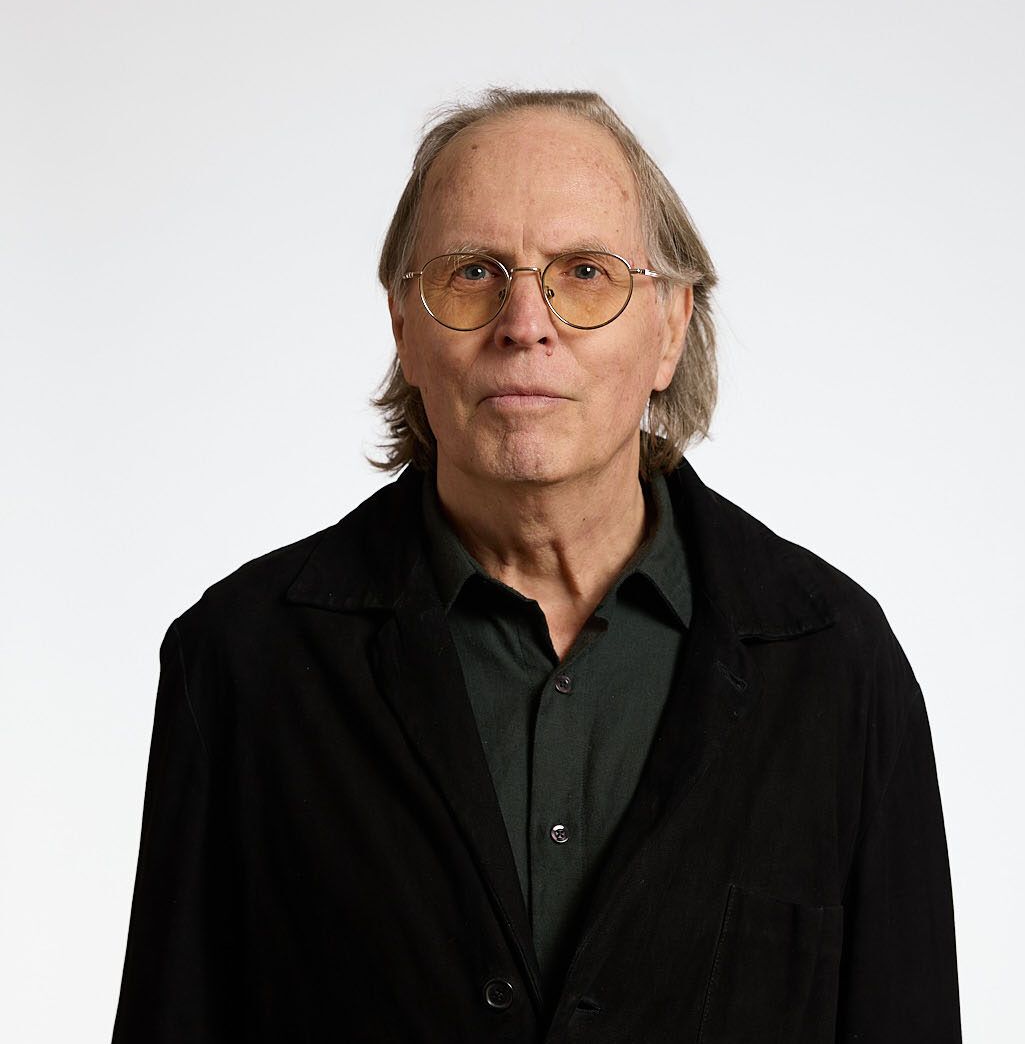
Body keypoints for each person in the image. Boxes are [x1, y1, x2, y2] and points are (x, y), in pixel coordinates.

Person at [111, 88, 962, 1043]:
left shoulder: (837, 663)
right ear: (402, 326)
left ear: (670, 326)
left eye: (585, 273)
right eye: (472, 273)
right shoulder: (242, 661)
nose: (525, 322)